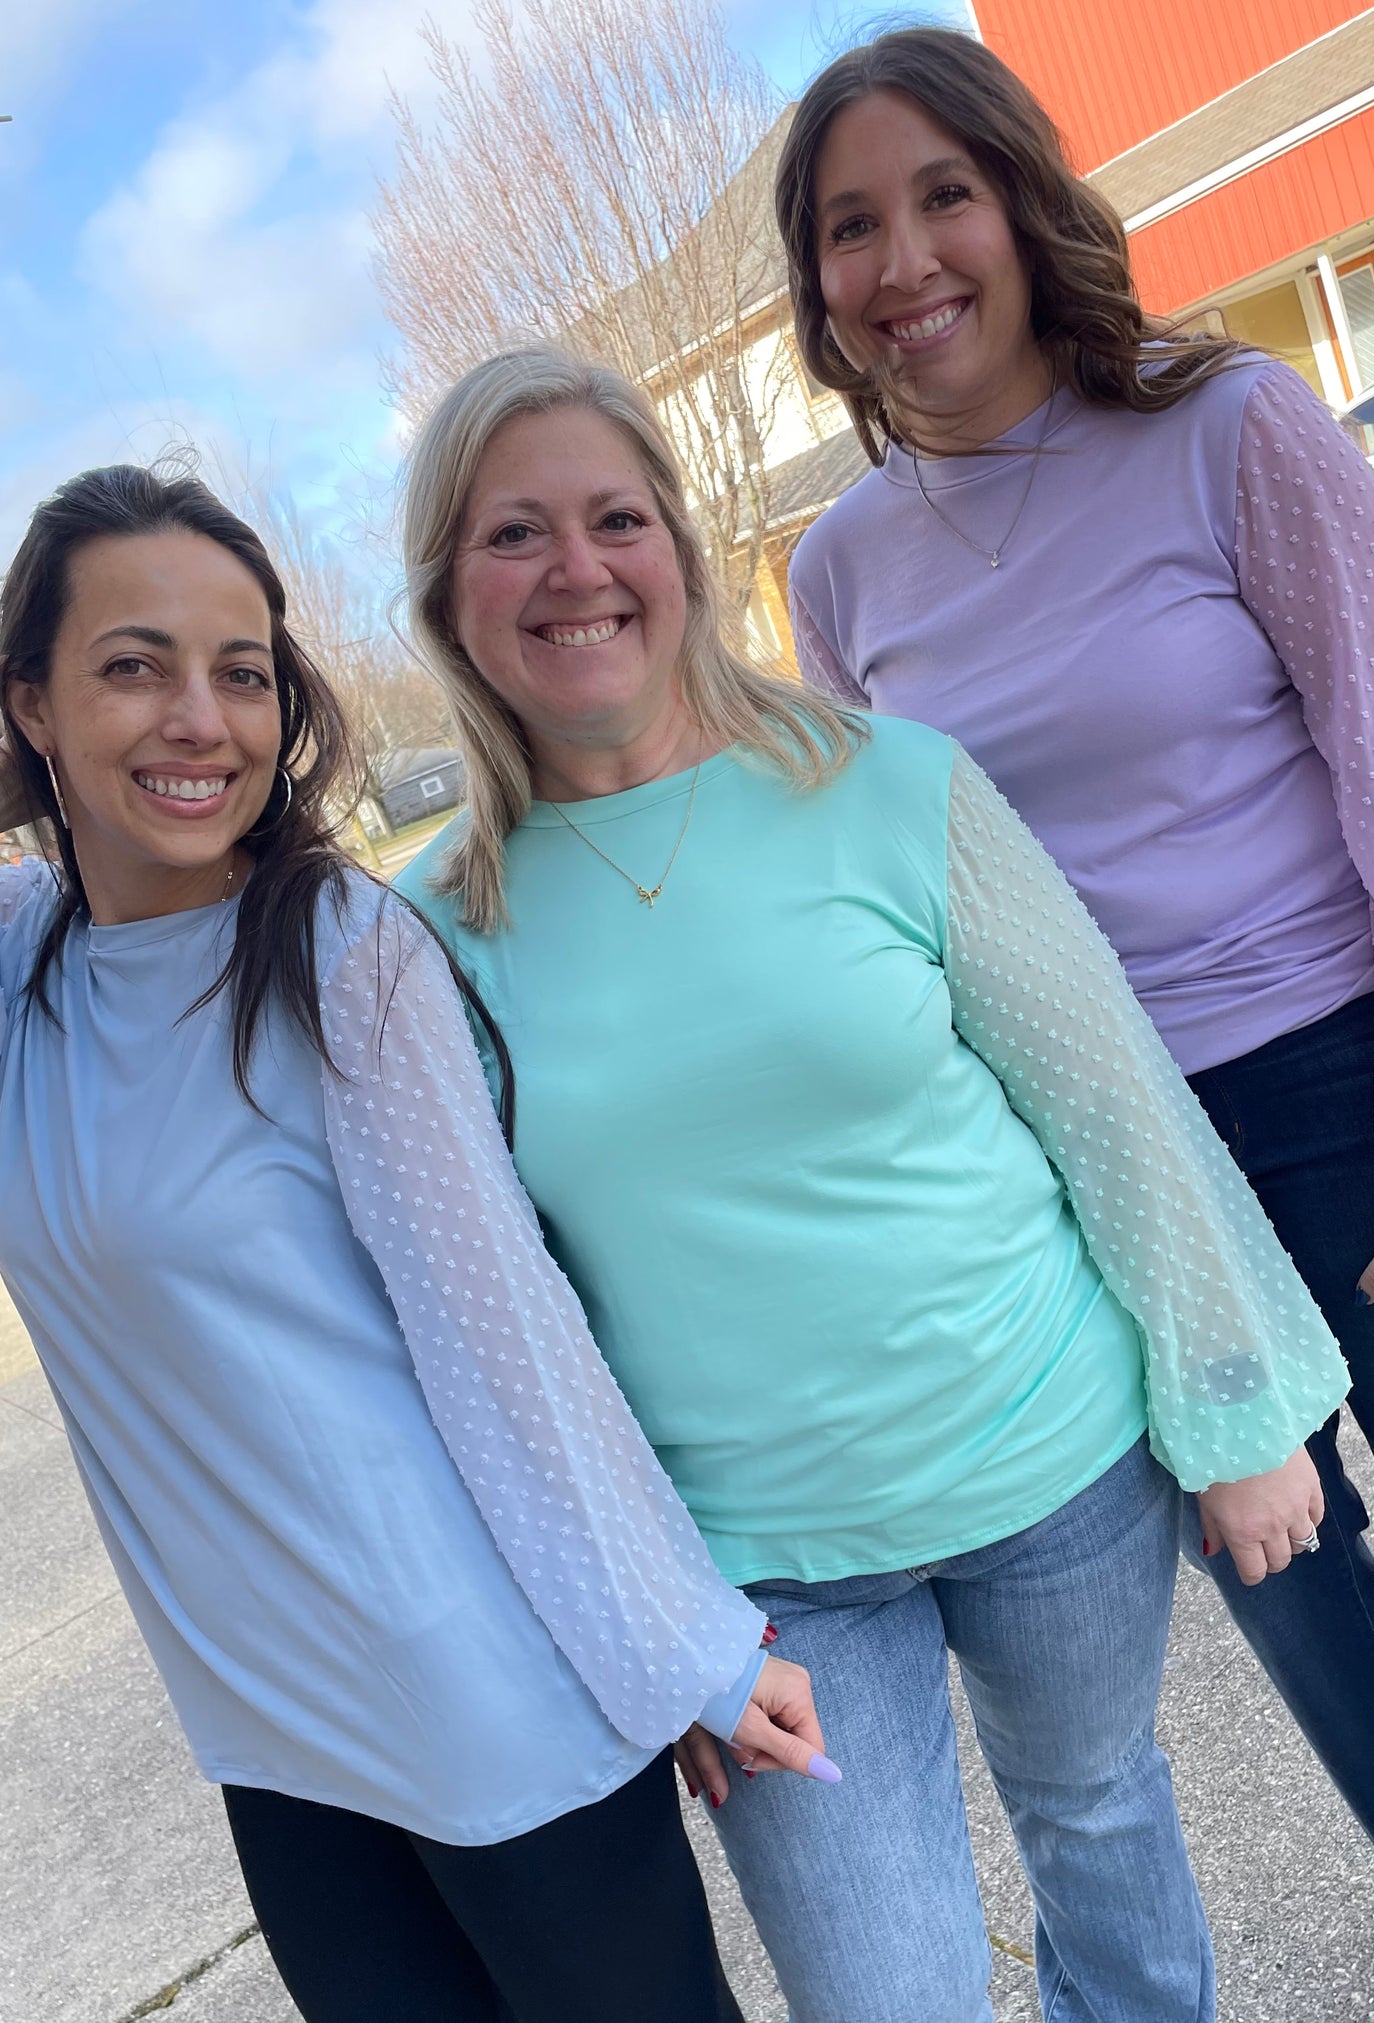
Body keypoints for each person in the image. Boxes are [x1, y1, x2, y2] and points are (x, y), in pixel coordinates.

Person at [394, 343, 1351, 2023]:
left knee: (1100, 1820)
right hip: (760, 1567)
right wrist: (654, 1632)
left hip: (1053, 1467)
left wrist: (1237, 1403)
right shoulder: (433, 933)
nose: (574, 570)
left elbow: (1107, 1098)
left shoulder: (889, 786)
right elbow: (501, 1324)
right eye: (510, 533)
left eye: (615, 517)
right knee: (880, 1995)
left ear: (680, 556)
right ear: (443, 595)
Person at [772, 25, 1374, 2020]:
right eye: (849, 227)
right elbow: (902, 896)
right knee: (1293, 1573)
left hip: (1347, 1081)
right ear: (817, 286)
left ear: (1022, 201)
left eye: (941, 197)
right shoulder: (838, 573)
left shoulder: (1230, 425)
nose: (905, 261)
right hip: (1107, 1150)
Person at [0, 464, 831, 2023]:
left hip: (489, 1717)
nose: (202, 719)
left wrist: (685, 1654)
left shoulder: (337, 957)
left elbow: (502, 1335)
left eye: (240, 674)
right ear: (31, 704)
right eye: (132, 667)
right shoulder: (21, 970)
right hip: (272, 1737)